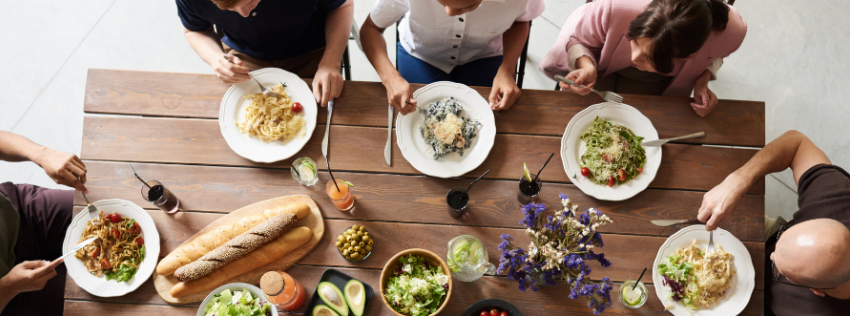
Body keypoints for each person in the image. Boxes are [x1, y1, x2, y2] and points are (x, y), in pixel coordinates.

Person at [694, 130, 850, 316]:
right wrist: (738, 180)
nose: (771, 257)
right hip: (775, 235)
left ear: (817, 291)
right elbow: (797, 143)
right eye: (780, 249)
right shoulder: (840, 199)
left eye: (783, 269)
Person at [539, 0, 746, 116]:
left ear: (687, 56)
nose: (634, 57)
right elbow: (578, 38)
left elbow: (717, 56)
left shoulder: (731, 32)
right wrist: (585, 65)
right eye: (635, 41)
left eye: (649, 57)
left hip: (662, 81)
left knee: (647, 119)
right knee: (579, 114)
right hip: (601, 59)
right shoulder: (615, 6)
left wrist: (703, 80)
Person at [360, 0, 545, 114]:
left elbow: (521, 20)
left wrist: (508, 69)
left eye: (469, 5)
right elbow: (370, 29)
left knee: (495, 121)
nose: (449, 12)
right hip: (420, 55)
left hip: (484, 56)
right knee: (413, 118)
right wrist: (390, 78)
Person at [177, 0, 354, 106]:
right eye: (230, 9)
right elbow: (193, 31)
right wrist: (216, 59)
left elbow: (342, 5)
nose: (244, 14)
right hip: (244, 56)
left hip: (311, 49)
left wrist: (331, 63)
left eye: (250, 2)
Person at [0, 131, 88, 316]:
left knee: (110, 216)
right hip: (10, 296)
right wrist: (9, 287)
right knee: (103, 309)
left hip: (18, 211)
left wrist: (41, 153)